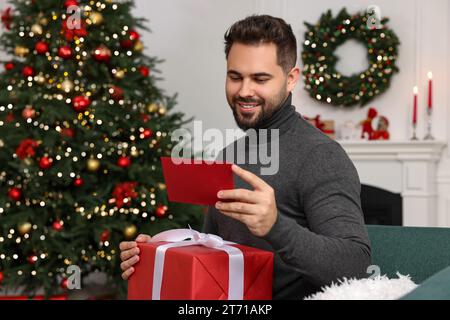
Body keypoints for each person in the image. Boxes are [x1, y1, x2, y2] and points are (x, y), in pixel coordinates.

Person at [119, 14, 371, 299]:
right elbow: (213, 250)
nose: (244, 91)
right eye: (235, 76)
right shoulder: (230, 152)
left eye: (260, 78)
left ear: (290, 79)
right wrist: (158, 252)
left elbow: (356, 264)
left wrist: (276, 227)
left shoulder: (321, 156)